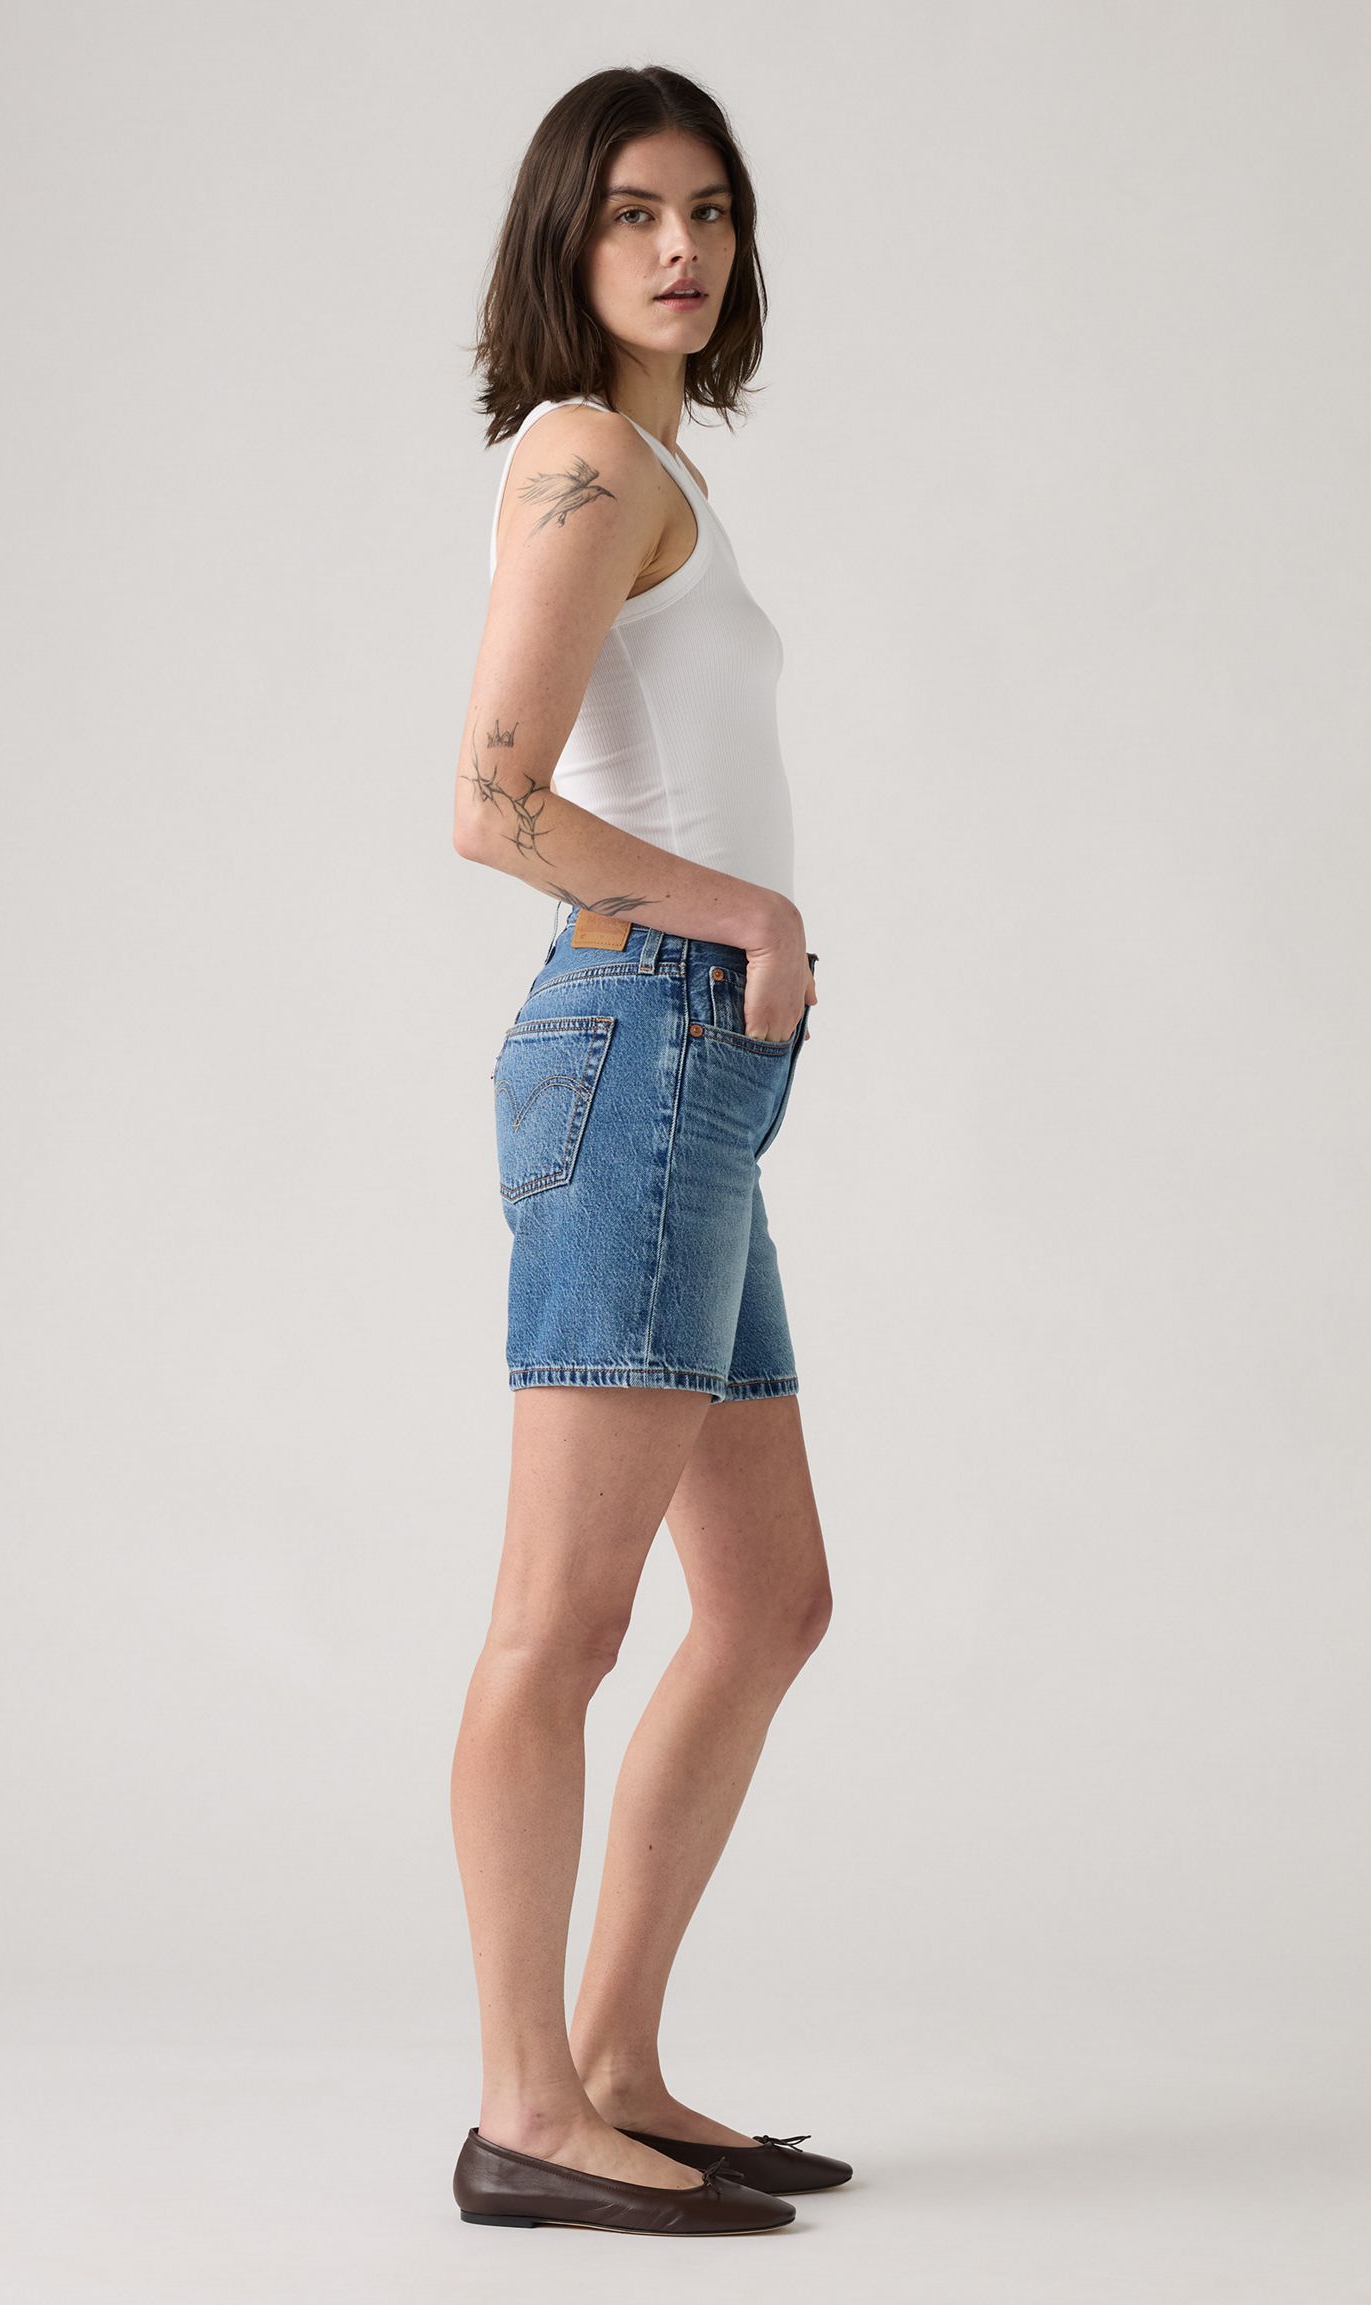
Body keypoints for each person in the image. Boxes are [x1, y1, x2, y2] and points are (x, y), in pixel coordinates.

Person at [439, 66, 853, 2240]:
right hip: (644, 1041)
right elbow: (493, 800)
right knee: (561, 1623)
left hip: (696, 1076)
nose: (680, 248)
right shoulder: (587, 455)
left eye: (707, 210)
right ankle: (523, 2107)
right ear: (565, 244)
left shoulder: (655, 466)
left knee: (767, 1601)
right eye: (631, 215)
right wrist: (750, 914)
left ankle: (611, 2066)